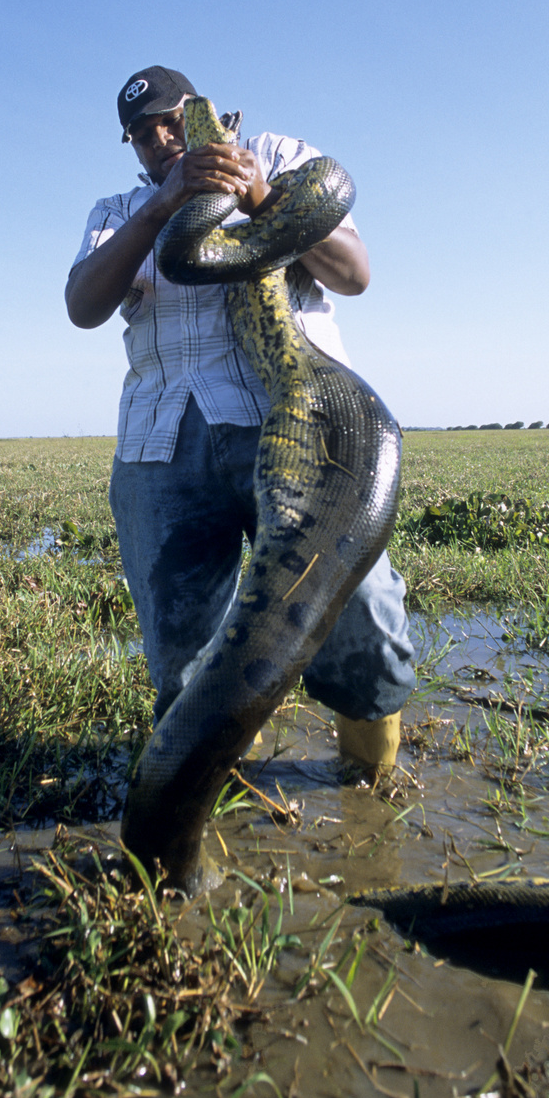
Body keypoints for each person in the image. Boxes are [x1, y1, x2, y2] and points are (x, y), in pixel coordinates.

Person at [66, 66, 415, 774]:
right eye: (141, 134)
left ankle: (368, 795)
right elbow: (83, 306)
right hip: (162, 444)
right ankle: (213, 808)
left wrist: (255, 194)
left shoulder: (281, 159)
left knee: (362, 619)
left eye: (170, 120)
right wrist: (164, 205)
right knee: (184, 653)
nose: (160, 139)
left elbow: (353, 273)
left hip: (298, 421)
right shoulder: (118, 210)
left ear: (203, 112)